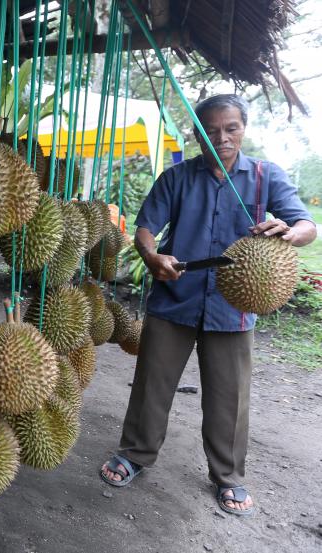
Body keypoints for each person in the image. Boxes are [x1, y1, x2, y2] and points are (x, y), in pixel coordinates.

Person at [99, 94, 317, 516]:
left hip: (232, 308)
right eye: (211, 130)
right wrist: (151, 256)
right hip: (175, 298)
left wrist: (290, 231)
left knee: (229, 397)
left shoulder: (264, 175)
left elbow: (306, 224)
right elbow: (146, 227)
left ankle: (229, 475)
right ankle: (135, 454)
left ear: (243, 128)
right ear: (198, 133)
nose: (222, 138)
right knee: (152, 384)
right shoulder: (176, 178)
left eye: (230, 128)